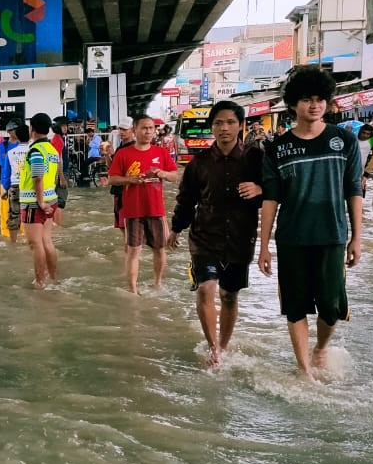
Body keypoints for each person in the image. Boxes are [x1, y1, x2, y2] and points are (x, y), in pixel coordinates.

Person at [258, 66, 364, 378]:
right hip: (291, 238)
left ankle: (320, 349)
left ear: (328, 102)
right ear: (293, 103)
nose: (314, 105)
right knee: (295, 307)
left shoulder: (344, 141)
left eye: (320, 99)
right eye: (306, 99)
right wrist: (263, 246)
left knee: (331, 308)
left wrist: (357, 237)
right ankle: (303, 370)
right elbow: (270, 199)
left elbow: (354, 190)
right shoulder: (277, 148)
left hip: (332, 235)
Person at [168, 101, 264, 367]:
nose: (224, 128)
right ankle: (214, 350)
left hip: (240, 239)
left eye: (230, 122)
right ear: (212, 127)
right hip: (204, 238)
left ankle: (224, 344)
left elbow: (275, 192)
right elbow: (186, 200)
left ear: (241, 125)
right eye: (219, 123)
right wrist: (176, 228)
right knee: (206, 288)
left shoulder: (254, 158)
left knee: (229, 295)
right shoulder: (198, 164)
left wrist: (259, 190)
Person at [108, 116, 179, 293]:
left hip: (156, 210)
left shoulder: (161, 152)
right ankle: (132, 290)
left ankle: (158, 283)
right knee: (133, 252)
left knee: (160, 249)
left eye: (151, 128)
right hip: (132, 211)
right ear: (135, 129)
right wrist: (130, 179)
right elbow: (112, 179)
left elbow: (175, 175)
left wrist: (162, 173)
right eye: (144, 128)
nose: (148, 131)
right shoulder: (123, 153)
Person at [20, 113, 60, 288]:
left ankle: (40, 282)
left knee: (35, 244)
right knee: (46, 241)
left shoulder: (36, 150)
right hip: (51, 200)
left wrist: (40, 202)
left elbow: (38, 178)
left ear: (32, 129)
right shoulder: (52, 149)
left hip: (35, 204)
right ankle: (52, 279)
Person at [0, 123, 31, 244]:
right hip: (30, 187)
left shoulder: (11, 153)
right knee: (30, 215)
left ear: (17, 136)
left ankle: (13, 243)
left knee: (13, 215)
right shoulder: (33, 151)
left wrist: (6, 189)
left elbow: (6, 174)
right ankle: (30, 240)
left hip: (14, 186)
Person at [109, 117, 135, 230]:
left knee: (128, 229)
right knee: (123, 228)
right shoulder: (120, 148)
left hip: (128, 193)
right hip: (119, 192)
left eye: (125, 129)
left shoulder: (133, 148)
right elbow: (111, 168)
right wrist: (107, 155)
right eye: (120, 129)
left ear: (132, 130)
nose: (122, 132)